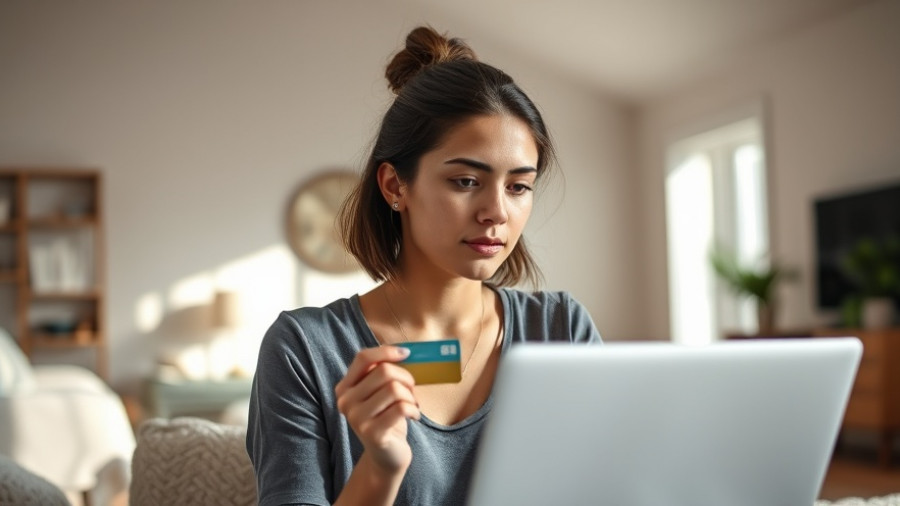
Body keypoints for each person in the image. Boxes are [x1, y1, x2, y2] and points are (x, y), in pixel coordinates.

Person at [247, 25, 602, 506]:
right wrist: (380, 467)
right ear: (395, 186)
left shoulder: (561, 329)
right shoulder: (305, 351)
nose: (497, 211)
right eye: (465, 180)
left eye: (518, 187)